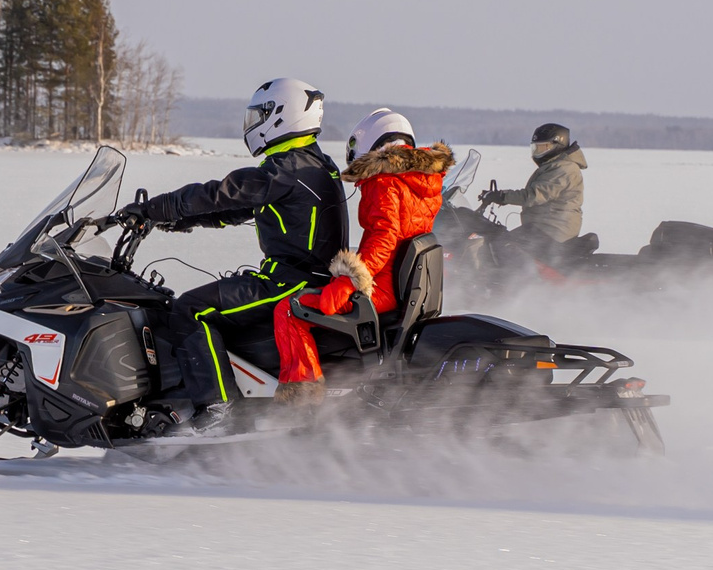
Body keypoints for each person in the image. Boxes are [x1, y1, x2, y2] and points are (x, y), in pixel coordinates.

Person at [113, 77, 344, 415]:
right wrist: (179, 221)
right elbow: (238, 208)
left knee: (191, 310)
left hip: (289, 283)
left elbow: (219, 193)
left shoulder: (289, 168)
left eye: (259, 116)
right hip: (303, 277)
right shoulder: (309, 163)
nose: (253, 124)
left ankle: (217, 409)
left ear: (281, 115)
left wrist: (153, 209)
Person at [273, 109, 453, 400]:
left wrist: (349, 282)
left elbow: (384, 238)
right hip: (397, 284)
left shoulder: (383, 180)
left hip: (379, 287)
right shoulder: (422, 180)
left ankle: (301, 397)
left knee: (290, 310)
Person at [479, 121, 586, 264]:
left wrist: (502, 196)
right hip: (545, 226)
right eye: (536, 148)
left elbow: (534, 195)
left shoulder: (564, 169)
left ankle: (516, 282)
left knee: (504, 244)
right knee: (502, 240)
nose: (538, 152)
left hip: (554, 229)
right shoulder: (555, 165)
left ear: (557, 145)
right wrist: (500, 195)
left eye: (543, 147)